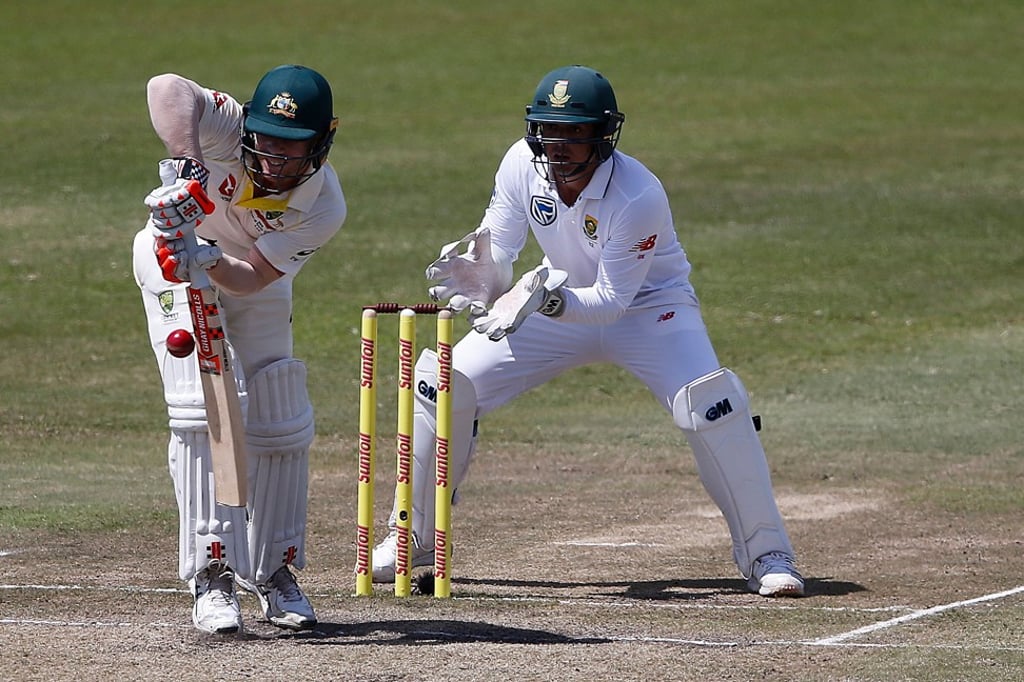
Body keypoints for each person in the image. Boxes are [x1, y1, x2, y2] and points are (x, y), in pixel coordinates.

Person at [368, 65, 804, 597]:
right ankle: (417, 536)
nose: (561, 146)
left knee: (712, 404)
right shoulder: (519, 165)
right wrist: (485, 277)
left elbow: (611, 302)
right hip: (552, 306)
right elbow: (501, 249)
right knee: (440, 378)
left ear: (603, 136)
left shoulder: (639, 195)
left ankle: (767, 552)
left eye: (576, 133)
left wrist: (544, 299)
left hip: (650, 310)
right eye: (551, 132)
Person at [132, 65, 347, 633]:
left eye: (292, 146)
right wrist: (185, 165)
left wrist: (210, 260)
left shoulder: (323, 207)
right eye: (267, 140)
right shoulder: (229, 127)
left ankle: (275, 572)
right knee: (203, 409)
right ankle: (213, 576)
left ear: (322, 145)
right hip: (170, 260)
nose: (274, 157)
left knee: (279, 414)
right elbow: (166, 87)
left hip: (236, 272)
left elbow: (252, 278)